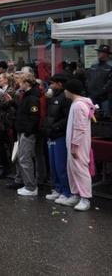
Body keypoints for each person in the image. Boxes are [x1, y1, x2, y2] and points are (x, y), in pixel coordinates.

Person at [60, 79, 94, 211]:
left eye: (66, 89)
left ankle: (85, 198)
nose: (64, 91)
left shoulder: (79, 105)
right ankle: (75, 195)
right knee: (72, 169)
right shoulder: (77, 104)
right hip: (75, 144)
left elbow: (80, 128)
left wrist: (74, 146)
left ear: (70, 90)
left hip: (78, 145)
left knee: (80, 169)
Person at [42, 74, 72, 203]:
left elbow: (67, 118)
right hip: (52, 134)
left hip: (60, 135)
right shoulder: (54, 96)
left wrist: (55, 127)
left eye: (53, 83)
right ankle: (57, 189)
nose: (51, 86)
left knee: (60, 165)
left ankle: (66, 192)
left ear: (59, 84)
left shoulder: (65, 98)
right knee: (53, 165)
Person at [13, 73, 41, 196]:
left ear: (27, 83)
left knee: (25, 159)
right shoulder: (27, 96)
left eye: (21, 82)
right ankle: (28, 185)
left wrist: (28, 132)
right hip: (22, 131)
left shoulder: (32, 97)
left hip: (27, 133)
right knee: (22, 158)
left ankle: (31, 187)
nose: (19, 84)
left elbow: (34, 117)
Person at [86, 44, 112, 117]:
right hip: (92, 97)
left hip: (105, 98)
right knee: (91, 117)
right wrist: (88, 88)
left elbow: (110, 83)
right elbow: (88, 78)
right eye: (99, 52)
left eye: (101, 52)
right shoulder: (93, 66)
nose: (99, 53)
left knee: (106, 118)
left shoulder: (110, 67)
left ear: (106, 54)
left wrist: (102, 91)